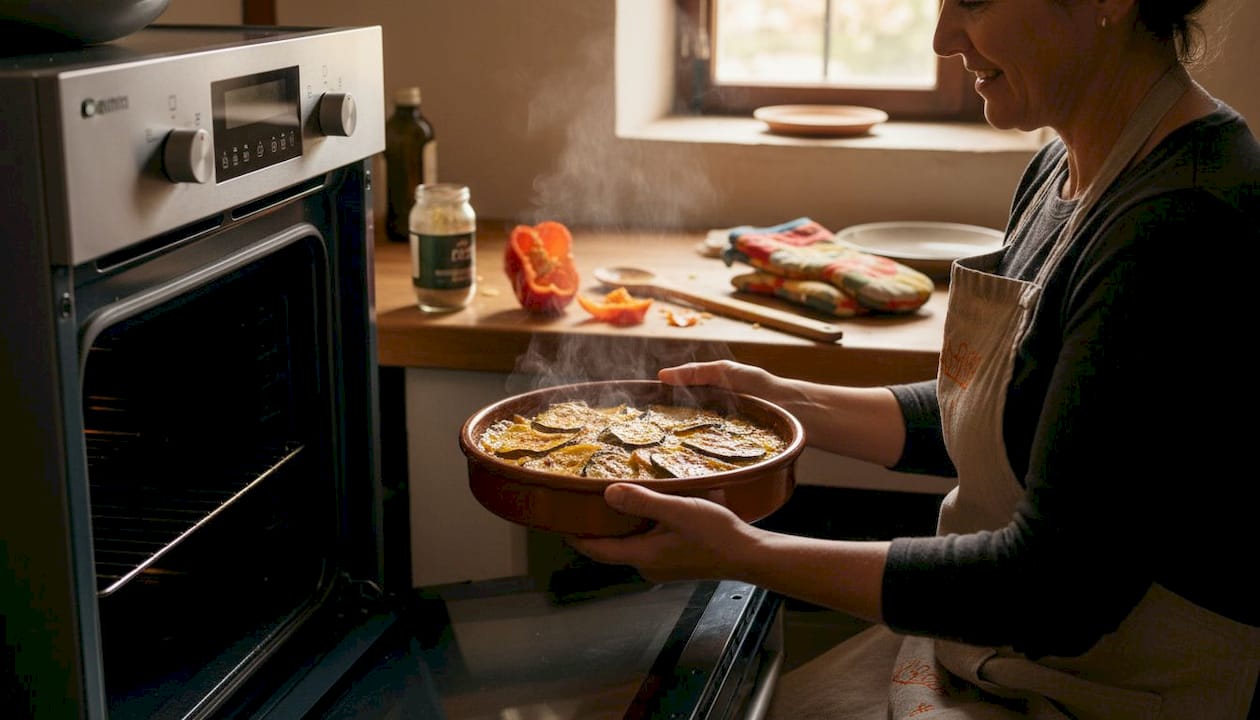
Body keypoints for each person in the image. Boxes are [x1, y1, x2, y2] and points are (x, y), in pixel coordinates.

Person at [569, 0, 1260, 717]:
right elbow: (1008, 416)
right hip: (991, 657)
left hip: (1115, 691)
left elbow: (1054, 590)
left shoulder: (1183, 220)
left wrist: (747, 554)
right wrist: (777, 404)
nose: (940, 39)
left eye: (972, 2)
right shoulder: (1065, 163)